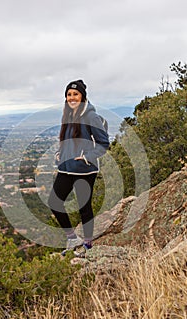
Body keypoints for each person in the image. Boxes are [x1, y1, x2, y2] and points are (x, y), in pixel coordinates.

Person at [48, 79, 109, 256]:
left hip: (85, 169)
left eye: (75, 94)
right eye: (69, 94)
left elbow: (103, 143)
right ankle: (72, 238)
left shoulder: (90, 116)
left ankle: (88, 245)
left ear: (82, 96)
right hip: (66, 168)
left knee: (84, 207)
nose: (72, 97)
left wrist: (86, 157)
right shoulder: (67, 114)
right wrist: (60, 153)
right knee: (54, 202)